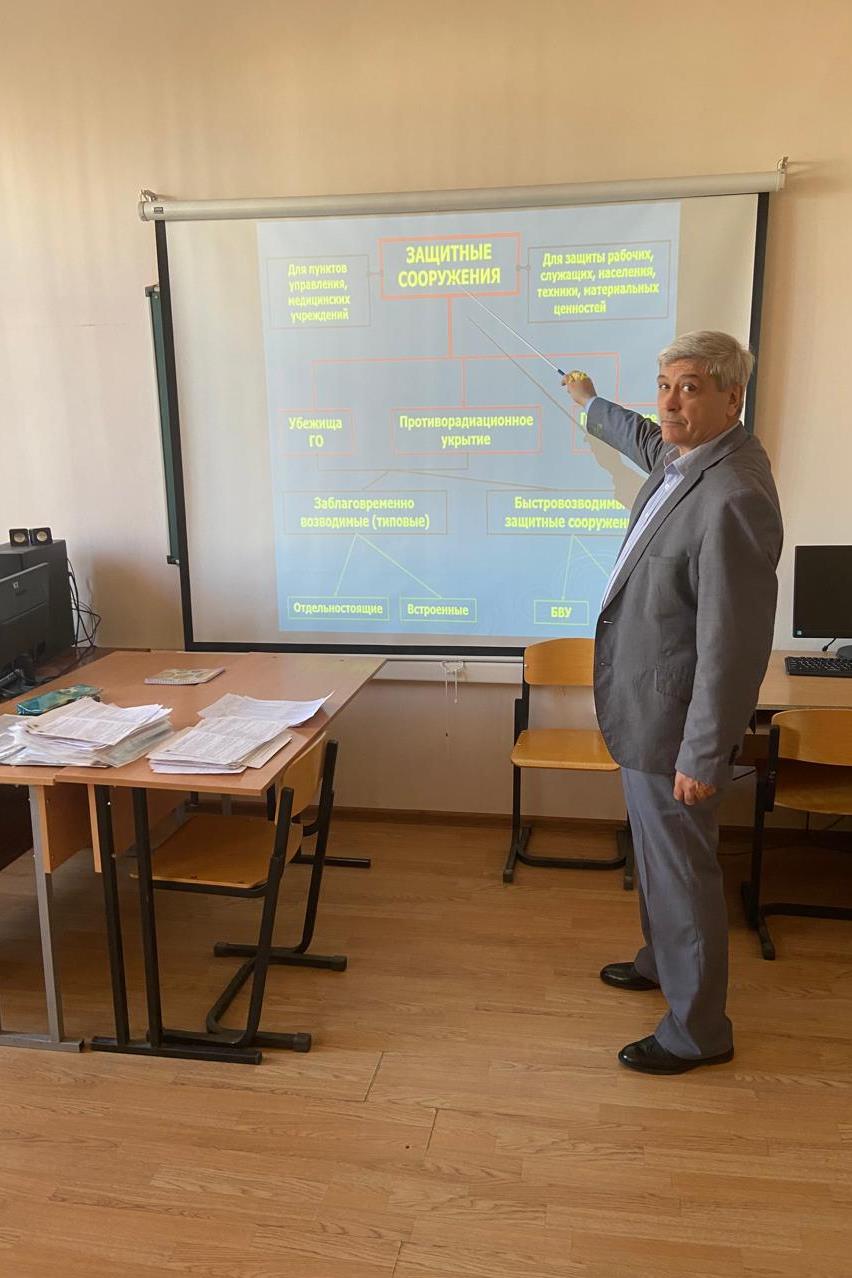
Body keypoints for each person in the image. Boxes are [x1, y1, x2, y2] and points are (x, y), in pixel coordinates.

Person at [563, 331, 783, 1075]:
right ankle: (661, 960)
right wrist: (590, 403)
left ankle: (697, 1031)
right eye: (664, 385)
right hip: (647, 709)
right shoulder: (687, 455)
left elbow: (733, 643)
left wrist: (703, 752)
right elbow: (643, 436)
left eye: (689, 388)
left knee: (683, 874)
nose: (669, 402)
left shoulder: (733, 493)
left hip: (675, 723)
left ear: (732, 397)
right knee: (659, 861)